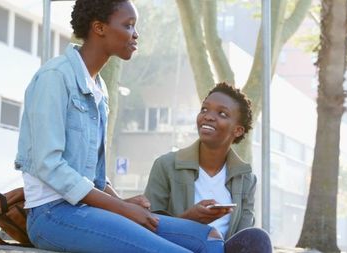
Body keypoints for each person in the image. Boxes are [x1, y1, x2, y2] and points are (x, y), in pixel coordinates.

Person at [14, 0, 223, 252]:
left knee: (208, 238)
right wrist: (122, 209)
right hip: (52, 215)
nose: (135, 34)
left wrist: (123, 202)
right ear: (99, 28)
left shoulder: (99, 90)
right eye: (128, 25)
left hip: (88, 210)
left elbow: (95, 177)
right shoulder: (55, 78)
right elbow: (49, 166)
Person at [144, 83, 272, 252]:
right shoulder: (166, 165)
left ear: (238, 130)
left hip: (223, 249)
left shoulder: (246, 178)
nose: (208, 117)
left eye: (222, 113)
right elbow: (147, 228)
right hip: (178, 248)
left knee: (258, 238)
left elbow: (243, 236)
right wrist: (189, 220)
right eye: (204, 110)